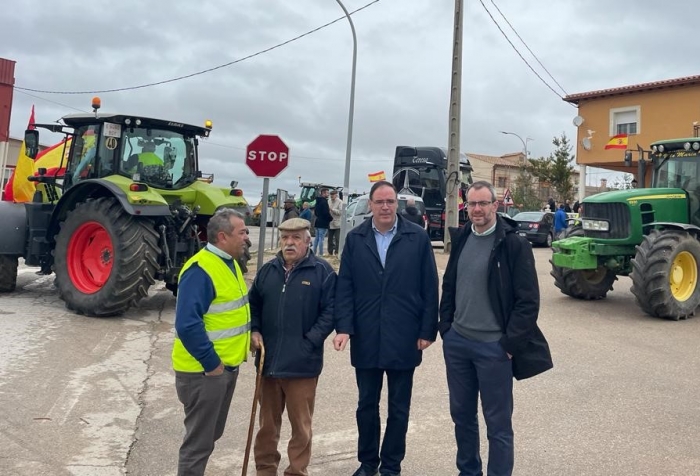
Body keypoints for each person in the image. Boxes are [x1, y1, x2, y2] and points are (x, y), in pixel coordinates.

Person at [439, 180, 553, 476]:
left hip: (494, 349)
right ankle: (469, 471)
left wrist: (509, 345)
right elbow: (450, 284)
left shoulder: (513, 243)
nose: (477, 209)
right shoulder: (462, 237)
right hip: (458, 344)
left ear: (495, 205)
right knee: (462, 417)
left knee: (498, 425)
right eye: (471, 204)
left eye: (482, 203)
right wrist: (446, 328)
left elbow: (528, 301)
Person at [334, 180, 439, 476]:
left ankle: (391, 465)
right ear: (370, 205)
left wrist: (427, 330)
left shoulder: (416, 238)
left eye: (389, 201)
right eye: (379, 202)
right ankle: (368, 463)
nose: (384, 207)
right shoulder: (356, 239)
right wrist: (344, 327)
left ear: (397, 204)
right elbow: (345, 287)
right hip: (366, 335)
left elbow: (430, 286)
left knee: (399, 407)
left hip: (404, 336)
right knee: (366, 404)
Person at [249, 217, 336, 476]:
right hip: (269, 362)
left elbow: (331, 312)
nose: (289, 243)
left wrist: (308, 342)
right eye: (285, 237)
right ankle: (265, 470)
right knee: (267, 426)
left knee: (301, 427)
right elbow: (253, 304)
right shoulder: (267, 270)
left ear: (308, 241)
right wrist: (254, 330)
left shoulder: (323, 272)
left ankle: (297, 471)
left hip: (302, 364)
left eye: (296, 238)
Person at [171, 209, 251, 476]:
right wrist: (212, 364)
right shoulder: (200, 269)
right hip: (204, 373)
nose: (247, 238)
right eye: (242, 232)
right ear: (222, 236)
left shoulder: (229, 263)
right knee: (198, 445)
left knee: (209, 436)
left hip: (222, 370)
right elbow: (187, 324)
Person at [312, 188, 333, 256]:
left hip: (317, 222)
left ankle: (314, 252)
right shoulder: (324, 202)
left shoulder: (317, 201)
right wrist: (330, 218)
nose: (328, 194)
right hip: (323, 223)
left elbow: (315, 212)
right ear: (323, 193)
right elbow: (326, 213)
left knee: (316, 239)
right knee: (321, 239)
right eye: (327, 193)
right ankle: (320, 253)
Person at [327, 189, 343, 255]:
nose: (332, 196)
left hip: (337, 224)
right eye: (331, 195)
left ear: (336, 195)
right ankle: (330, 252)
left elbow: (340, 212)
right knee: (329, 239)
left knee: (337, 239)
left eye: (333, 195)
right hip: (330, 223)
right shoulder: (329, 201)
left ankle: (337, 253)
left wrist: (332, 210)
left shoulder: (340, 202)